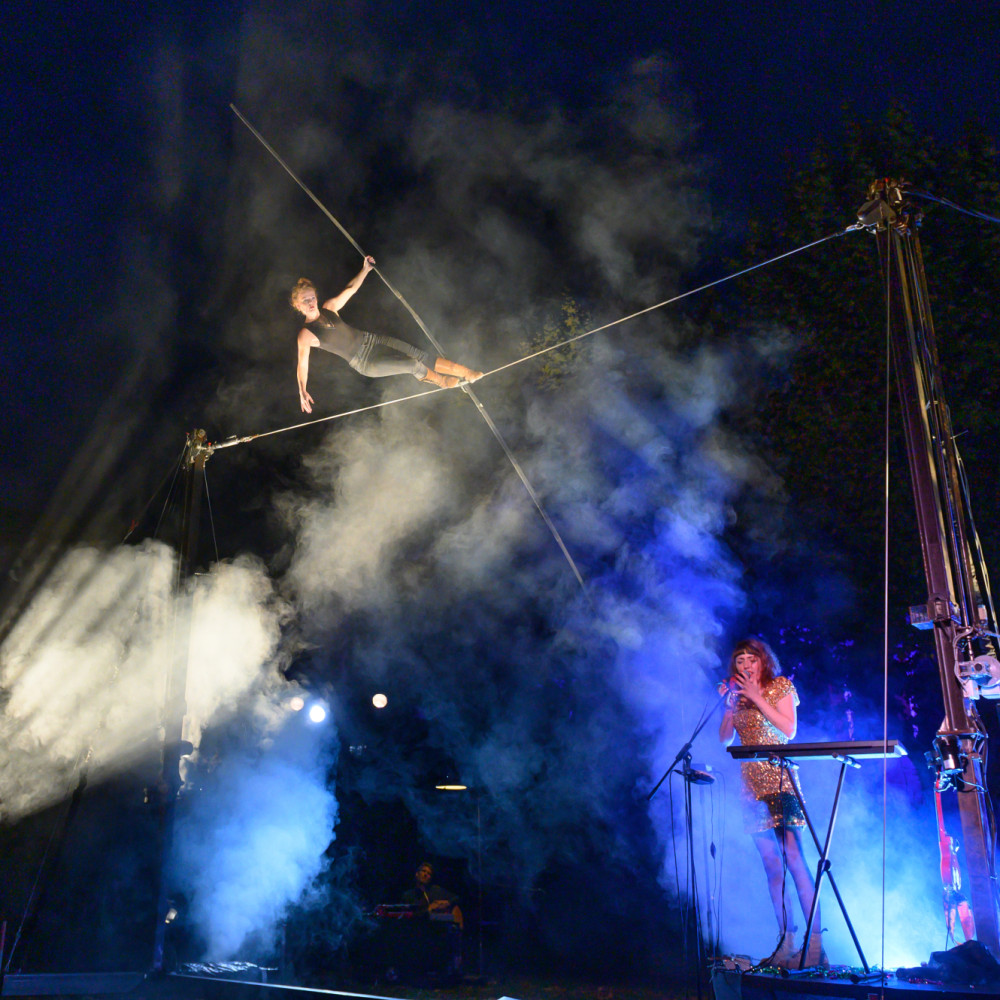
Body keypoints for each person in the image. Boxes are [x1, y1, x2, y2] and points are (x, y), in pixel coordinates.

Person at [719, 637, 826, 969]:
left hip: (779, 781)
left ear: (764, 661)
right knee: (771, 867)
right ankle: (786, 941)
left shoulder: (779, 686)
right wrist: (731, 707)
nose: (746, 665)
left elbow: (789, 729)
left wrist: (755, 696)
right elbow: (725, 738)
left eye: (752, 658)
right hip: (750, 788)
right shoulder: (739, 698)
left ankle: (816, 946)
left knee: (795, 860)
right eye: (740, 661)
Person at [291, 257, 483, 413]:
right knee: (412, 364)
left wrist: (365, 269)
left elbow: (350, 289)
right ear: (298, 306)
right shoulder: (306, 334)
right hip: (365, 362)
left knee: (419, 354)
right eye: (305, 300)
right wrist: (302, 390)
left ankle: (466, 372)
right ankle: (441, 381)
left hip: (373, 340)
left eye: (312, 297)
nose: (310, 302)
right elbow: (303, 364)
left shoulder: (329, 308)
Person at [401, 861, 463, 929]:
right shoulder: (408, 895)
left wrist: (448, 903)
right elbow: (410, 918)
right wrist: (429, 909)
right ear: (417, 874)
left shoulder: (436, 890)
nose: (425, 874)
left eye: (429, 873)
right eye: (423, 871)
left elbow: (458, 898)